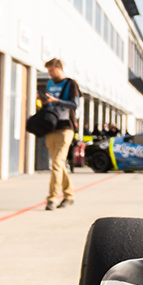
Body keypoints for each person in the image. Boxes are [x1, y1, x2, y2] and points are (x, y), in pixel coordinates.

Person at [41, 59, 80, 210]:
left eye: (52, 71)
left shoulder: (71, 84)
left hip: (65, 127)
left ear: (59, 68)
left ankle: (52, 199)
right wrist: (46, 102)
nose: (50, 74)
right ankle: (69, 195)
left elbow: (74, 104)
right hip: (51, 127)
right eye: (49, 71)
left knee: (56, 163)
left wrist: (56, 100)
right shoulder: (50, 84)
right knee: (59, 165)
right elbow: (50, 103)